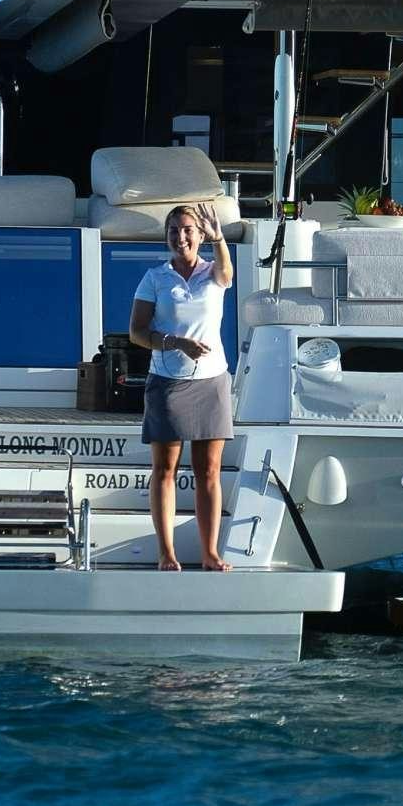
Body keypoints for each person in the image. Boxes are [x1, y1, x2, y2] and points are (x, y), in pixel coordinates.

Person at [128, 203, 236, 571]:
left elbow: (227, 273)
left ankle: (210, 554)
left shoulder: (213, 273)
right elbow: (137, 332)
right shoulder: (155, 278)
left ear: (201, 235)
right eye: (174, 230)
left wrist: (219, 238)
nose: (181, 237)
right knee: (165, 469)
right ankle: (166, 554)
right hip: (167, 382)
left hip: (211, 380)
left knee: (209, 471)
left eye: (188, 229)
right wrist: (175, 342)